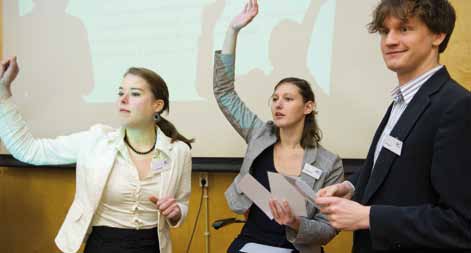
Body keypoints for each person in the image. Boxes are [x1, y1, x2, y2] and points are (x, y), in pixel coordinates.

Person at [315, 0, 471, 252]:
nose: (389, 41)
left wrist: (368, 217)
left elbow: (462, 224)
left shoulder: (457, 106)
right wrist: (351, 187)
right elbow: (393, 164)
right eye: (385, 31)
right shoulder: (403, 100)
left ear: (438, 35)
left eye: (405, 29)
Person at [0, 57, 193, 253]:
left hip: (152, 246)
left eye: (134, 94)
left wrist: (176, 213)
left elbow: (182, 204)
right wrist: (3, 94)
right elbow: (27, 149)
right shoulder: (96, 141)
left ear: (157, 106)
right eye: (120, 93)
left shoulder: (178, 151)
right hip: (103, 245)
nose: (123, 99)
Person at [213, 1, 344, 252]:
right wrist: (233, 31)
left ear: (308, 107)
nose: (278, 105)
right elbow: (224, 93)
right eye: (274, 98)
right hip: (251, 242)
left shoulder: (329, 163)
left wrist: (295, 222)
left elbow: (328, 229)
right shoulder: (259, 134)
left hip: (297, 248)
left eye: (288, 98)